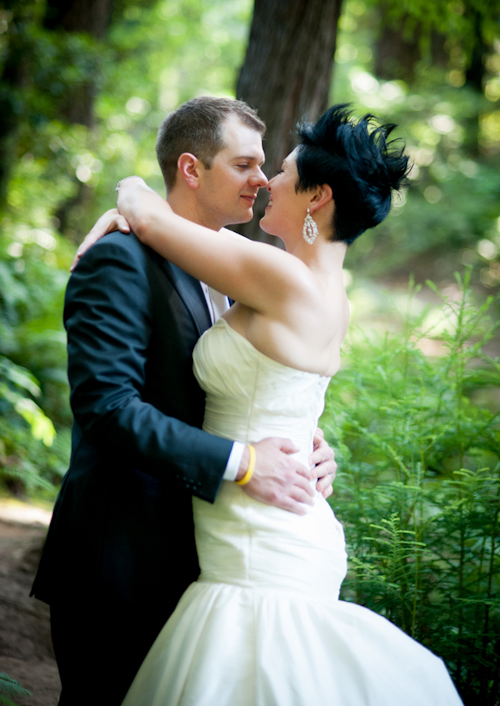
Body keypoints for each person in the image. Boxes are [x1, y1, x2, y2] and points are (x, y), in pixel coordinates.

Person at [94, 104, 462, 705]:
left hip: (259, 540)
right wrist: (319, 448)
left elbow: (147, 217)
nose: (268, 182)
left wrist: (128, 190)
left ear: (317, 198)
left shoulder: (279, 276)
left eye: (284, 172)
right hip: (281, 517)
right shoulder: (328, 292)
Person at [30, 97, 337, 706]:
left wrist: (309, 447)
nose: (262, 180)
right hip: (124, 555)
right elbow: (108, 408)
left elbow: (245, 391)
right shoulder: (121, 257)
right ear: (192, 170)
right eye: (245, 164)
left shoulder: (242, 275)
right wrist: (244, 462)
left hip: (212, 562)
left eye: (265, 166)